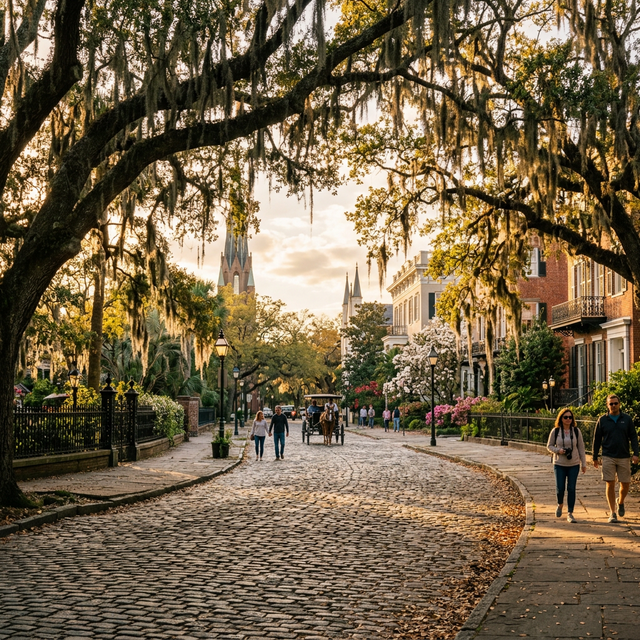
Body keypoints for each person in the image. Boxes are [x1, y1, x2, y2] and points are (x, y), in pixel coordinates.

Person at [592, 394, 639, 522]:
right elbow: (596, 440)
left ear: (619, 404)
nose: (613, 405)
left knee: (625, 483)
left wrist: (636, 453)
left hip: (624, 456)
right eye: (611, 404)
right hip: (608, 456)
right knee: (610, 483)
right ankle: (612, 512)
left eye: (615, 403)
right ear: (607, 405)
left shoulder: (627, 419)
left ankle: (621, 501)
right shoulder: (602, 420)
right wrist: (595, 457)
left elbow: (633, 437)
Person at [547, 408, 587, 523]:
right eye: (566, 417)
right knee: (560, 488)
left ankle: (570, 512)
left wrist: (583, 463)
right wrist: (558, 450)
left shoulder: (576, 431)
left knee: (571, 488)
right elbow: (549, 446)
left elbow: (581, 448)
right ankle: (560, 504)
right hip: (559, 463)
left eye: (570, 417)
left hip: (574, 464)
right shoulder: (555, 431)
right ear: (561, 418)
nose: (568, 419)